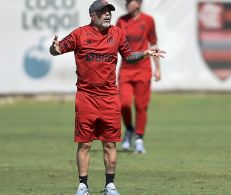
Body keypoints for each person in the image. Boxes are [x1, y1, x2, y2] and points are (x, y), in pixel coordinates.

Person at [49, 1, 165, 194]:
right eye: (102, 12)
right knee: (84, 143)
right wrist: (53, 48)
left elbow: (128, 56)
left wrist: (144, 53)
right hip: (86, 97)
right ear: (92, 15)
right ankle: (83, 185)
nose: (107, 15)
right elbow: (57, 49)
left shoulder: (117, 33)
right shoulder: (79, 34)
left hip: (110, 97)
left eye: (109, 11)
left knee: (109, 143)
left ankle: (110, 185)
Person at [116, 0, 161, 153]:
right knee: (124, 103)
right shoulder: (121, 21)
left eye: (131, 0)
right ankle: (129, 129)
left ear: (139, 3)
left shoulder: (148, 20)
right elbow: (115, 44)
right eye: (127, 1)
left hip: (143, 68)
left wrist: (158, 69)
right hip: (126, 69)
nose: (128, 3)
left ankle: (139, 139)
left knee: (141, 106)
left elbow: (153, 44)